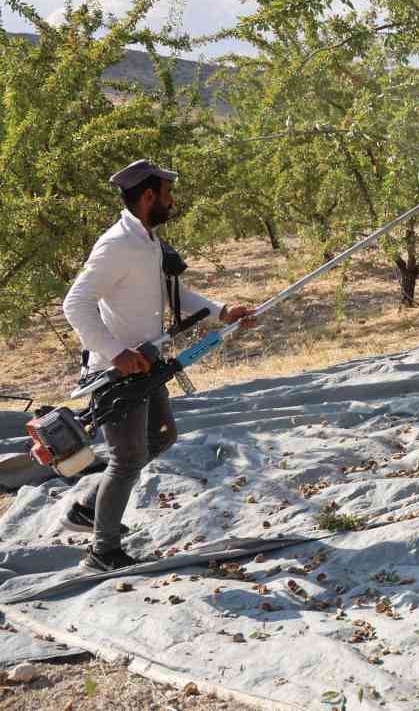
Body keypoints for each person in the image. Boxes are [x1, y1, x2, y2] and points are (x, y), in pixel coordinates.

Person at [61, 160, 256, 572]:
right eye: (167, 193)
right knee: (127, 459)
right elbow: (74, 303)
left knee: (162, 437)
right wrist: (115, 352)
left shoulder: (148, 242)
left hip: (146, 366)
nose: (172, 201)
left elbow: (174, 293)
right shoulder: (116, 245)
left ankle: (89, 507)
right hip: (116, 374)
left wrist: (223, 312)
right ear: (148, 196)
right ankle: (103, 550)